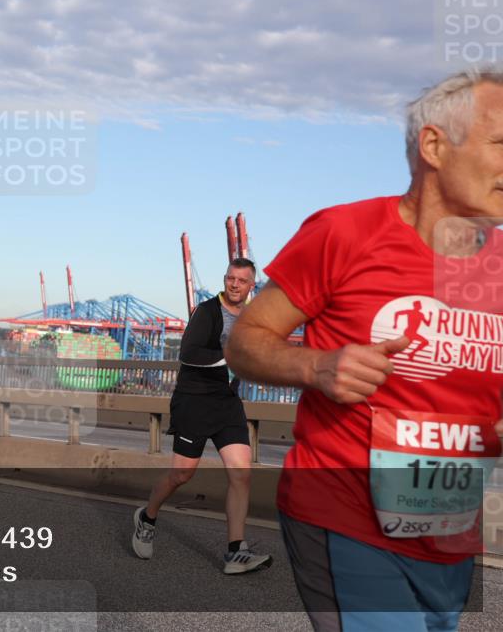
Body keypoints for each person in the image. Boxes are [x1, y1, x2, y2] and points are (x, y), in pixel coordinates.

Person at [225, 68, 503, 631]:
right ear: (434, 145)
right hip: (342, 512)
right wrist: (317, 365)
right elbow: (245, 342)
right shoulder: (344, 233)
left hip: (449, 532)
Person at [132, 258, 272, 574]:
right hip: (194, 401)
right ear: (225, 280)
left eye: (241, 280)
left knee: (242, 473)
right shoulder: (207, 311)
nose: (234, 284)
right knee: (182, 475)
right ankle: (147, 517)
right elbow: (189, 353)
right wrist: (231, 355)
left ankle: (236, 551)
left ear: (252, 286)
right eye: (230, 278)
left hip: (227, 404)